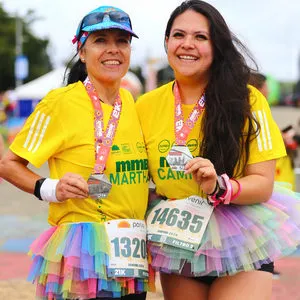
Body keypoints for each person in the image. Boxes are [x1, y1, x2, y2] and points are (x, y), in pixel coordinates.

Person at [136, 1, 300, 299]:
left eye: (201, 37)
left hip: (241, 236)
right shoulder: (144, 106)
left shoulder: (247, 100)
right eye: (179, 35)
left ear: (217, 45)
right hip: (177, 238)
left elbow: (263, 184)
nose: (188, 45)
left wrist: (218, 185)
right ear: (166, 42)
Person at [0, 5, 154, 300]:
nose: (113, 49)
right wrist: (51, 188)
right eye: (101, 41)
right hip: (83, 249)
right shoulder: (59, 102)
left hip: (131, 247)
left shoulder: (132, 103)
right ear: (82, 52)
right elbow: (8, 164)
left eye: (122, 41)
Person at [249, 72, 297, 190]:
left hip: (276, 179)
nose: (269, 91)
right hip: (270, 181)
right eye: (266, 86)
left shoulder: (262, 112)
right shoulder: (255, 113)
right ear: (257, 89)